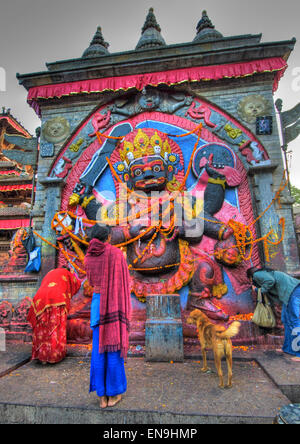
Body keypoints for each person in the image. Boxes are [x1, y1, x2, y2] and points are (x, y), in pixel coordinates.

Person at [84, 224, 131, 408]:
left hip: (97, 306)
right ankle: (114, 393)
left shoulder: (88, 257)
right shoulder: (116, 254)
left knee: (98, 350)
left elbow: (91, 281)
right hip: (113, 306)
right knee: (113, 349)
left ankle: (102, 397)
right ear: (109, 237)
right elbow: (124, 281)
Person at [27, 267, 81, 364]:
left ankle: (42, 356)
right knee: (56, 328)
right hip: (57, 298)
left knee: (42, 328)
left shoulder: (50, 272)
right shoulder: (67, 273)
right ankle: (53, 356)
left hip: (40, 299)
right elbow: (77, 284)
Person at [247, 266, 300, 362]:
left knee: (294, 322)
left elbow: (270, 281)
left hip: (293, 292)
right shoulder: (266, 273)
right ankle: (288, 349)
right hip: (289, 295)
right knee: (286, 321)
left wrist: (257, 289)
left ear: (250, 277)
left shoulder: (256, 275)